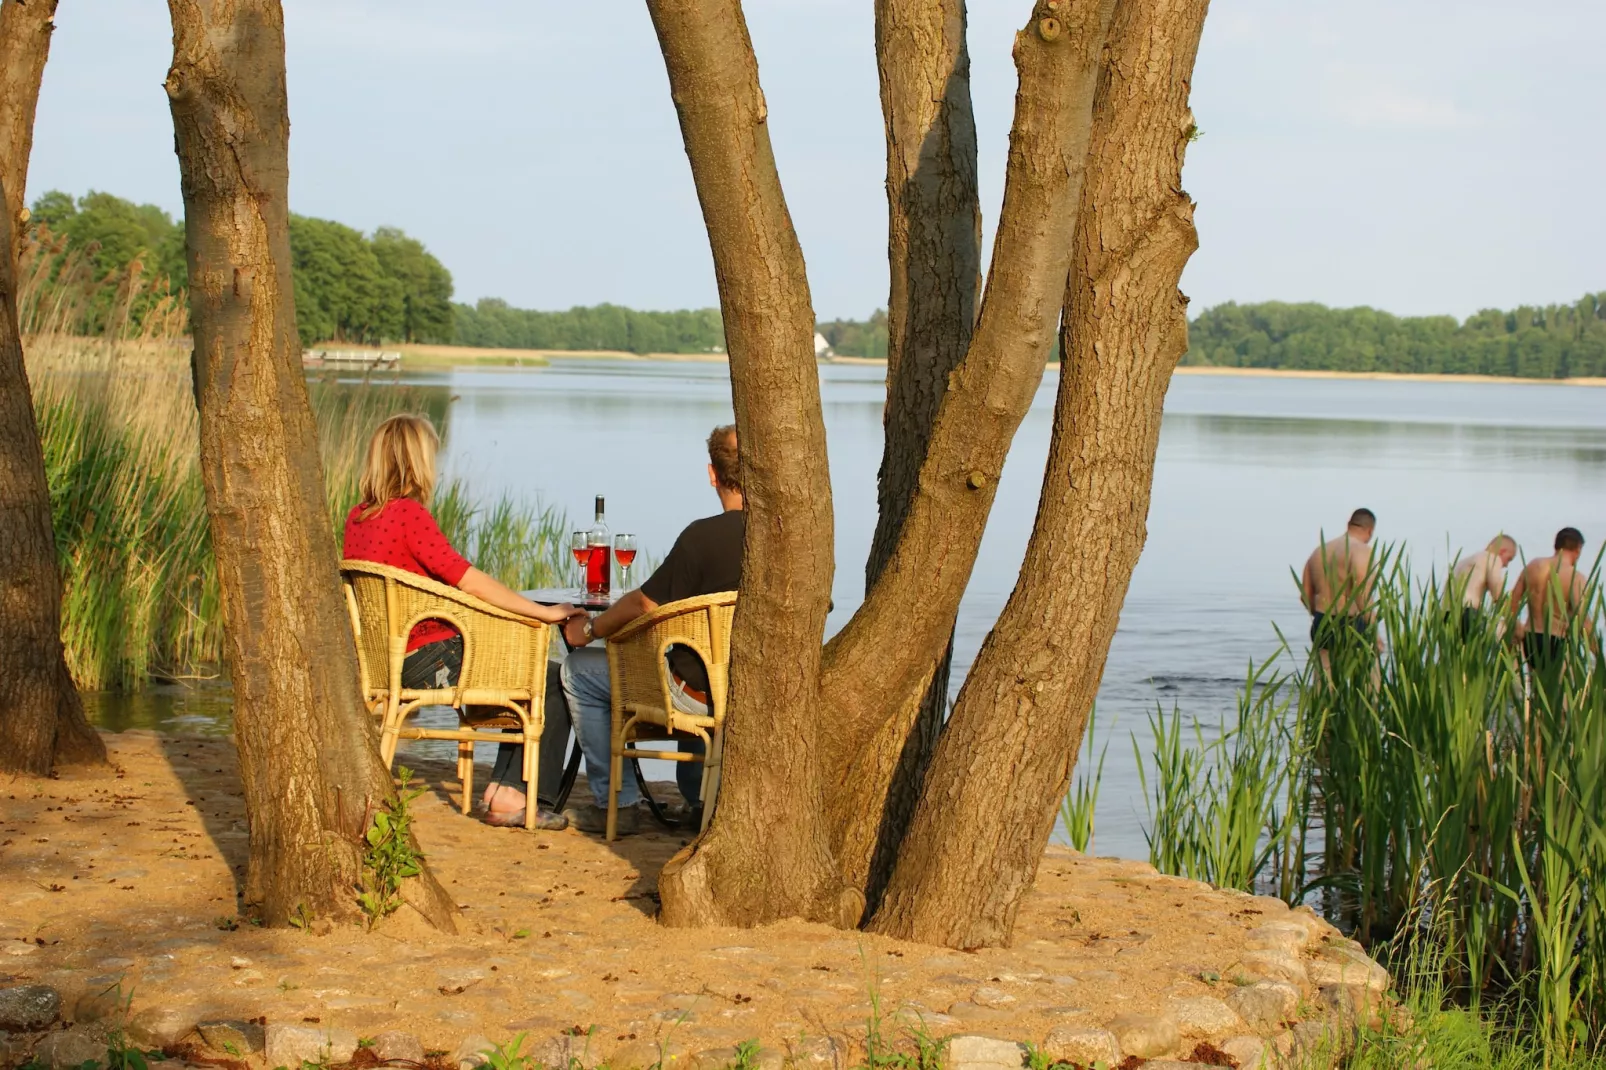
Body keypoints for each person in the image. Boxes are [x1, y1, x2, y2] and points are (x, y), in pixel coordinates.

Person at [343, 413, 581, 830]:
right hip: (428, 661)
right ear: (418, 461)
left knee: (525, 673)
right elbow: (469, 581)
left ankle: (502, 789)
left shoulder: (358, 518)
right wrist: (544, 613)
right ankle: (511, 796)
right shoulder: (409, 515)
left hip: (389, 660)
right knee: (552, 678)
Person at [559, 424, 743, 836]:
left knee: (578, 673)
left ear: (712, 474)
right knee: (696, 657)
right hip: (753, 684)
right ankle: (698, 799)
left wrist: (589, 630)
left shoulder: (701, 538)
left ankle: (618, 803)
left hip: (697, 695)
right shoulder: (783, 538)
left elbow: (644, 602)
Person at [1301, 508, 1380, 665]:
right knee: (1369, 682)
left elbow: (1305, 595)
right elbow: (1361, 594)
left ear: (1349, 524)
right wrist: (1375, 632)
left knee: (1323, 684)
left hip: (1322, 620)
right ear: (1370, 530)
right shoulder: (1362, 551)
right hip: (1352, 624)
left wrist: (1320, 617)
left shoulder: (1320, 551)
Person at [1511, 527, 1591, 679]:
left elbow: (1513, 600)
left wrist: (1516, 626)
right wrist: (1597, 653)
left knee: (1536, 691)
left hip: (1531, 638)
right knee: (1558, 697)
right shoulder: (1575, 576)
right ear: (1578, 549)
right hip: (1556, 640)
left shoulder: (1533, 566)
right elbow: (1583, 620)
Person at [1447, 534, 1517, 634]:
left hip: (1445, 615)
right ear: (1502, 551)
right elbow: (1498, 594)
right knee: (1506, 630)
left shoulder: (1463, 562)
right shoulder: (1492, 558)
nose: (1506, 565)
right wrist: (1513, 619)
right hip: (1467, 614)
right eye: (1509, 559)